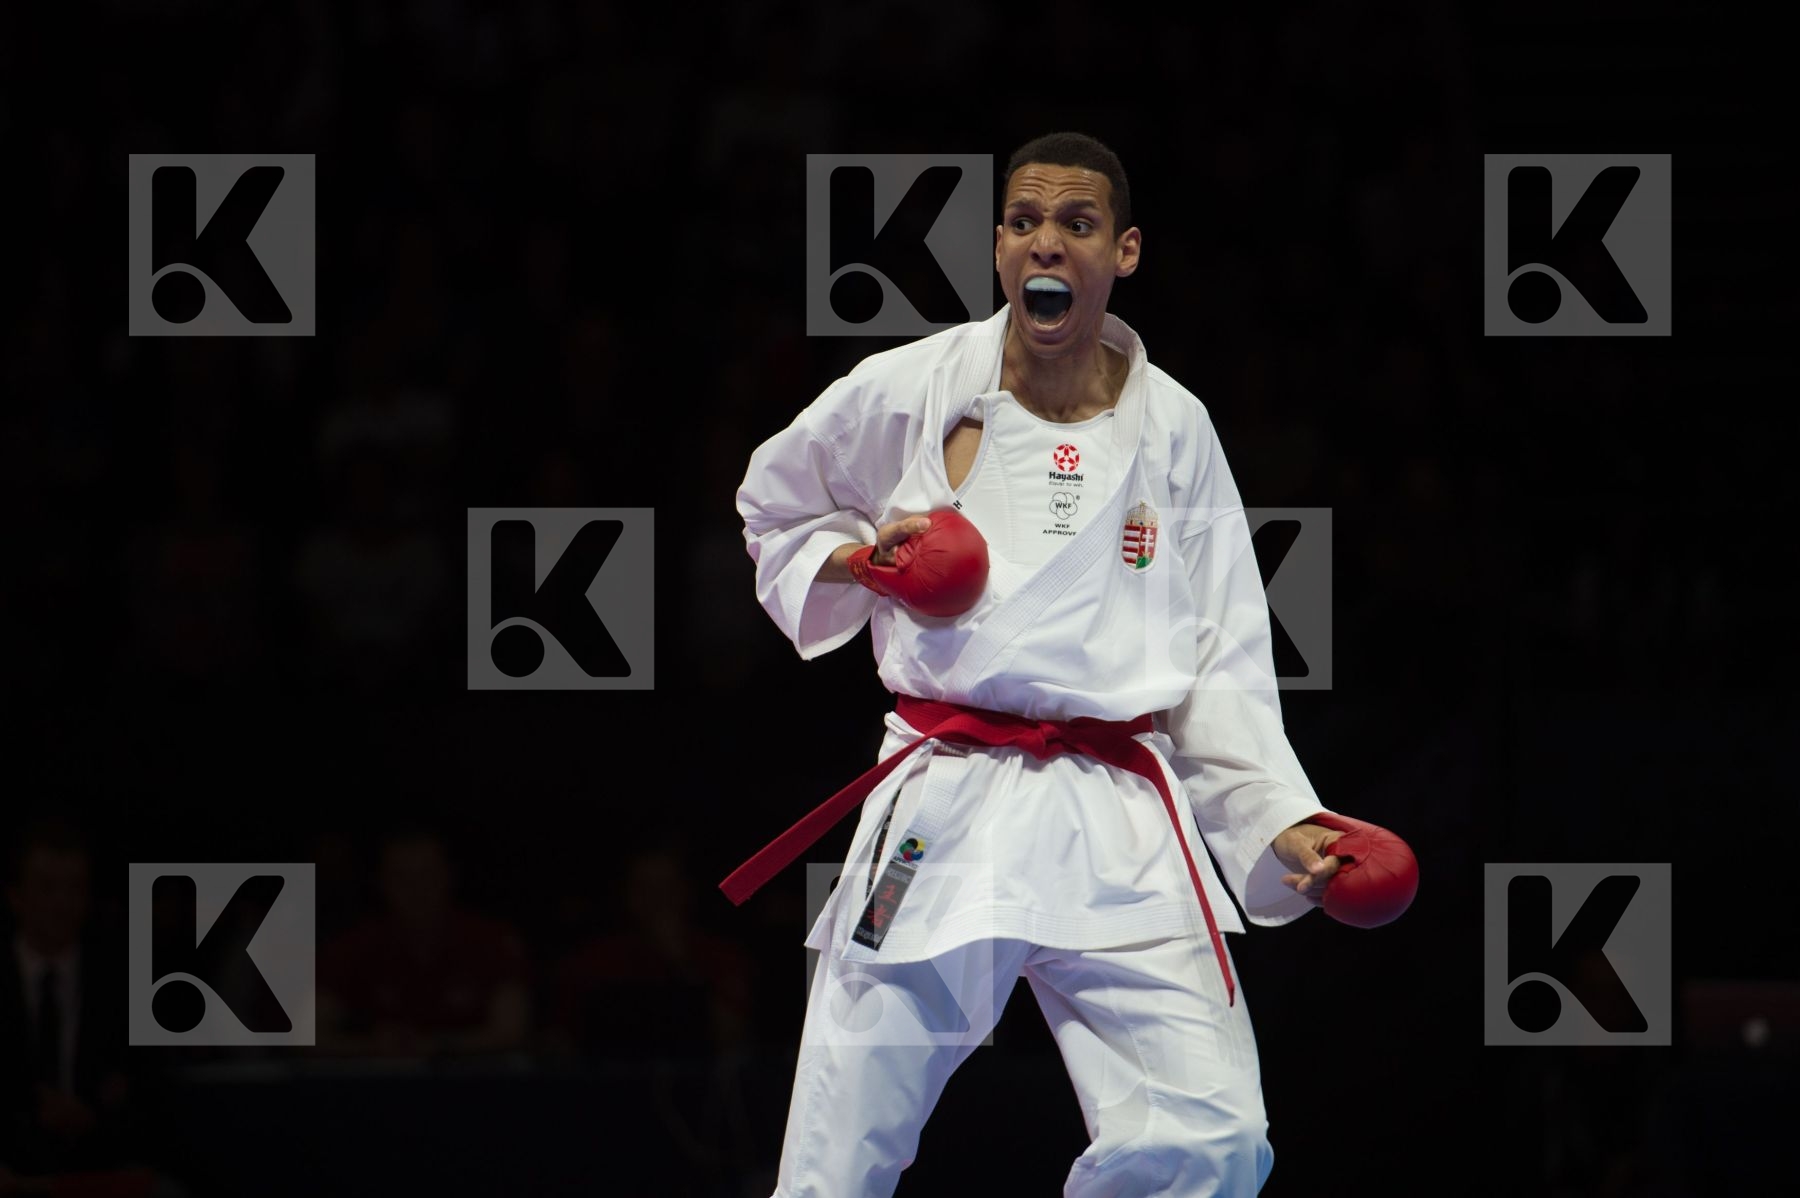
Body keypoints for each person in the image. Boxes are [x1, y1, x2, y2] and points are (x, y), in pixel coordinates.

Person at [727, 132, 1372, 1197]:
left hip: (1118, 806)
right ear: (997, 247)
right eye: (1025, 222)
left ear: (1123, 253)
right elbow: (773, 505)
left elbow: (1219, 658)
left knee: (1213, 1136)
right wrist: (860, 559)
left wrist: (1280, 820)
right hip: (944, 797)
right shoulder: (914, 387)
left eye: (1076, 225)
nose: (1046, 243)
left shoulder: (1176, 427)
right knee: (836, 1154)